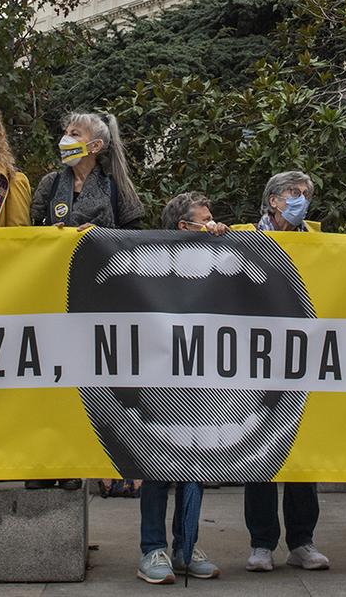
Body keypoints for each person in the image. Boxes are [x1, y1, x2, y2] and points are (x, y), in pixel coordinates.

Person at [235, 171, 330, 573]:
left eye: (306, 194)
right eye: (294, 193)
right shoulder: (240, 236)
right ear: (272, 200)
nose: (301, 199)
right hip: (254, 360)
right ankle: (261, 544)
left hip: (301, 358)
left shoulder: (320, 241)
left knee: (301, 455)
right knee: (260, 455)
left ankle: (302, 542)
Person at [135, 193, 223, 584]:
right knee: (157, 466)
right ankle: (152, 549)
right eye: (205, 219)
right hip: (158, 375)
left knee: (195, 463)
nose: (212, 223)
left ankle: (186, 547)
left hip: (200, 376)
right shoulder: (151, 261)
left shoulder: (221, 257)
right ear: (183, 227)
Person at [29, 111, 147, 229]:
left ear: (95, 146)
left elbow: (134, 235)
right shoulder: (51, 182)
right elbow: (34, 230)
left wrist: (100, 235)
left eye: (74, 134)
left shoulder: (116, 185)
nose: (65, 139)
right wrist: (49, 232)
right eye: (66, 133)